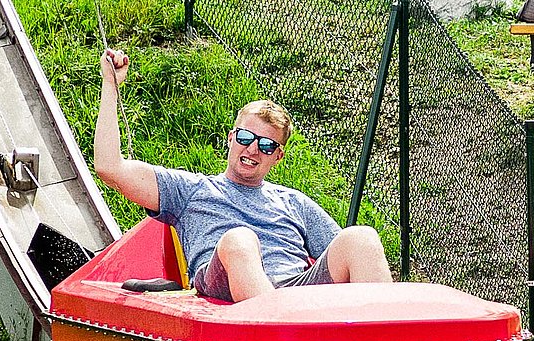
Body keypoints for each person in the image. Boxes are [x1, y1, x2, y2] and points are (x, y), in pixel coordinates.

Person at [94, 49, 393, 303]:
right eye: (246, 137)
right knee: (239, 239)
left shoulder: (293, 202)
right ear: (230, 137)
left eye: (266, 145)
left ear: (278, 155)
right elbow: (110, 167)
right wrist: (111, 86)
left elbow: (344, 255)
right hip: (224, 295)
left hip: (294, 294)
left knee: (361, 238)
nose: (253, 149)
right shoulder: (191, 190)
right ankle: (275, 335)